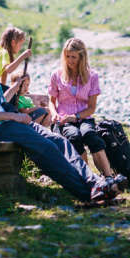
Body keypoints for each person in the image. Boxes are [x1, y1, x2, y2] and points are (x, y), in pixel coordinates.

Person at [0, 27, 123, 203]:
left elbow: (0, 101)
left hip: (7, 123)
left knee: (60, 141)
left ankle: (96, 183)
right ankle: (89, 194)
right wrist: (14, 116)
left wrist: (15, 87)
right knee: (46, 148)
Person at [48, 38, 115, 178]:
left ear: (82, 57)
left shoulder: (92, 76)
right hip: (64, 120)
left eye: (74, 57)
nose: (70, 60)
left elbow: (91, 108)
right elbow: (51, 102)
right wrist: (54, 114)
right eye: (67, 56)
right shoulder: (57, 74)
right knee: (73, 135)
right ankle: (87, 177)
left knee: (90, 134)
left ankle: (109, 176)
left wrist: (75, 116)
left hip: (84, 117)